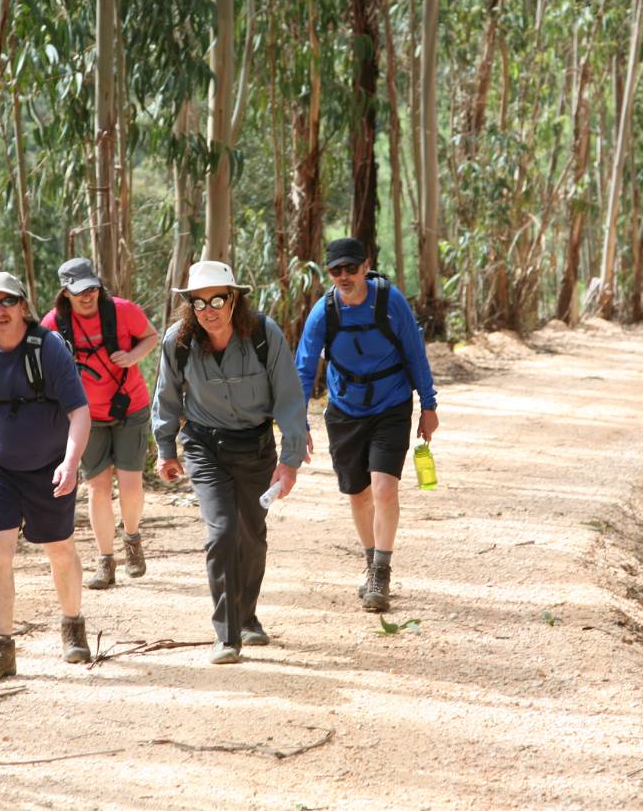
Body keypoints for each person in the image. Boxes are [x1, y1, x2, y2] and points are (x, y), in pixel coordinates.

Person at [152, 261, 308, 665]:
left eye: (218, 299)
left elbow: (290, 398)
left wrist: (289, 461)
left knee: (250, 536)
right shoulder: (179, 342)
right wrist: (165, 450)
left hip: (255, 448)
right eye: (199, 302)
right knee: (221, 533)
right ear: (189, 306)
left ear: (234, 298)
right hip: (204, 447)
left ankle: (248, 614)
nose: (209, 309)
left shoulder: (262, 335)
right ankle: (227, 635)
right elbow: (166, 398)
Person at [0, 271, 93, 681]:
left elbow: (79, 411)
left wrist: (71, 461)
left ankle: (72, 625)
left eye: (7, 301)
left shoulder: (49, 350)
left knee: (60, 549)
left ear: (23, 306)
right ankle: (1, 649)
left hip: (50, 468)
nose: (0, 310)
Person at [294, 238, 438, 613]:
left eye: (351, 268)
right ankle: (370, 558)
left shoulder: (391, 303)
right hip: (344, 409)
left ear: (366, 265)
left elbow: (415, 354)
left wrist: (429, 404)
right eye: (335, 270)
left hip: (391, 405)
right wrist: (298, 422)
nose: (344, 276)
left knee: (384, 488)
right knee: (357, 494)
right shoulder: (323, 312)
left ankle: (381, 571)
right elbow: (304, 368)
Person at [41, 258, 159, 589]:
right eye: (80, 292)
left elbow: (151, 336)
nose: (88, 296)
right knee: (98, 486)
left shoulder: (123, 310)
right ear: (65, 293)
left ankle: (132, 540)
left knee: (131, 481)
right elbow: (43, 365)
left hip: (130, 406)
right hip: (86, 416)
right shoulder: (54, 324)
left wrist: (134, 356)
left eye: (93, 289)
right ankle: (106, 561)